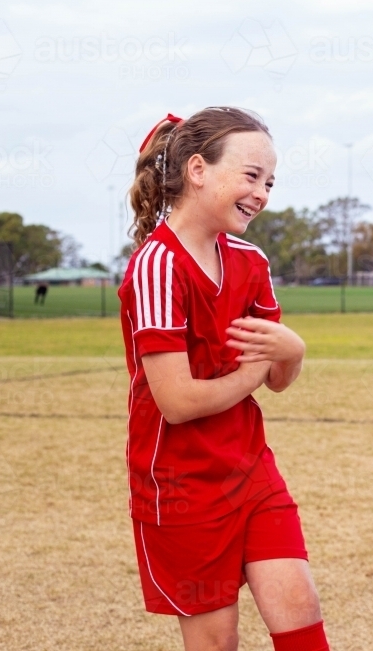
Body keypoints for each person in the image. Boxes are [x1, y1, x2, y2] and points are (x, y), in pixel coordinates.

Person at [119, 108, 329, 651]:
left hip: (251, 468)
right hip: (181, 485)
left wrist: (292, 354)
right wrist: (258, 369)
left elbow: (277, 378)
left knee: (300, 609)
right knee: (217, 641)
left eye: (269, 182)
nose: (261, 194)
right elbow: (179, 401)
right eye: (250, 176)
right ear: (197, 170)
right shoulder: (156, 266)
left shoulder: (250, 261)